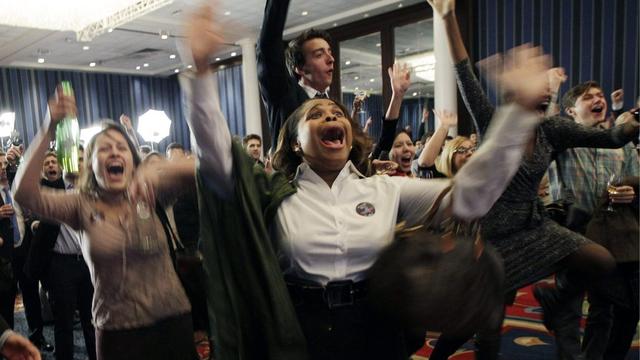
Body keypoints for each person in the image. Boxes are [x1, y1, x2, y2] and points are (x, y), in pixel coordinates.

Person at [185, 5, 547, 359]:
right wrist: (201, 72)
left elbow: (472, 198)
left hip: (376, 324)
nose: (331, 115)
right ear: (295, 142)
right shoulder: (276, 194)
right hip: (300, 328)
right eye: (317, 115)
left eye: (337, 114)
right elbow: (216, 156)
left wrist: (518, 112)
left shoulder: (384, 188)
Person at [425, 0, 640, 359]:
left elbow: (613, 138)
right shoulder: (491, 119)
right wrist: (446, 17)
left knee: (599, 259)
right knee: (486, 320)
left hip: (534, 226)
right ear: (514, 90)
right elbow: (463, 71)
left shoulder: (552, 129)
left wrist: (635, 119)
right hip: (491, 235)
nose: (543, 87)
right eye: (536, 82)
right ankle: (439, 354)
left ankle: (555, 298)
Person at [14, 94, 198, 360]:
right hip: (117, 331)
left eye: (121, 147)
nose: (114, 151)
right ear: (90, 164)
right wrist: (49, 127)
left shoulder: (150, 190)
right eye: (104, 148)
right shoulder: (80, 203)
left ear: (132, 160)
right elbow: (24, 193)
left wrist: (157, 170)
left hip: (171, 322)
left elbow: (209, 167)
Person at [539, 82, 640, 360]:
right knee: (568, 312)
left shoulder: (621, 144)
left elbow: (637, 181)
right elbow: (542, 130)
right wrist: (552, 90)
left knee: (603, 309)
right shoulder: (564, 143)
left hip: (610, 235)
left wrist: (631, 193)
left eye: (600, 96)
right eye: (588, 98)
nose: (598, 100)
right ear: (571, 111)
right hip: (571, 232)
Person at [257, 0, 334, 149]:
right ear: (300, 68)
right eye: (319, 54)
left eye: (330, 52)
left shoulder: (331, 105)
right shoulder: (284, 94)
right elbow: (268, 48)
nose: (331, 59)